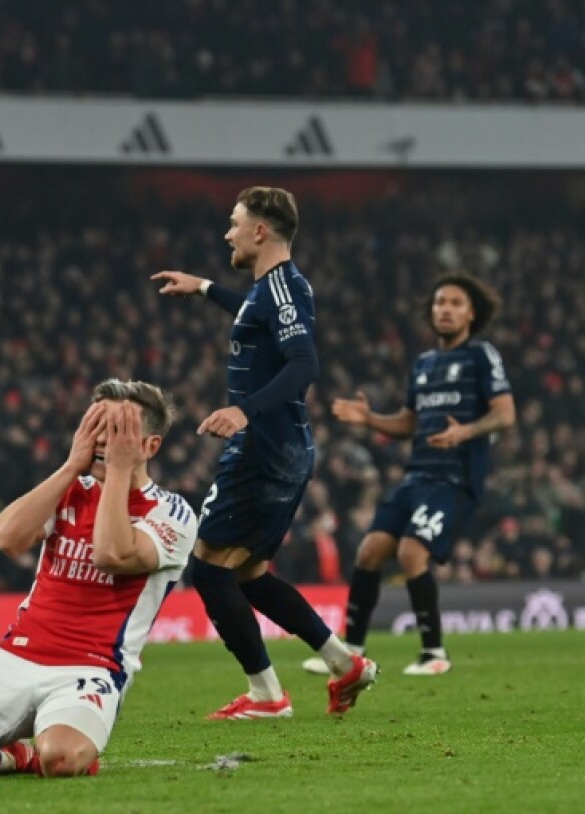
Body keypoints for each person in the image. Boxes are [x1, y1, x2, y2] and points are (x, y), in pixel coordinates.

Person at [0, 379, 196, 780]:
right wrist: (72, 466)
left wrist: (119, 473)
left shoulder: (172, 514)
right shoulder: (70, 488)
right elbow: (7, 537)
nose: (105, 441)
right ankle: (12, 756)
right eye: (98, 427)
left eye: (120, 431)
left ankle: (46, 745)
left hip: (92, 667)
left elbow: (110, 554)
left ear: (150, 446)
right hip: (17, 655)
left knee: (59, 760)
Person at [151, 186, 375, 720]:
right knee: (248, 574)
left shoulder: (282, 289)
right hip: (283, 447)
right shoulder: (278, 287)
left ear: (260, 230)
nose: (227, 232)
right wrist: (203, 287)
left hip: (265, 448)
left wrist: (244, 411)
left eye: (234, 223)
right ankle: (344, 662)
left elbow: (303, 365)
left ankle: (267, 696)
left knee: (207, 571)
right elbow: (255, 312)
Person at [302, 272, 515, 677]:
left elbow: (505, 414)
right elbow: (408, 423)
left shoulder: (481, 355)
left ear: (471, 313)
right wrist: (369, 419)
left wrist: (464, 432)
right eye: (439, 303)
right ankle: (350, 654)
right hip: (416, 477)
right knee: (368, 553)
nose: (445, 309)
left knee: (411, 552)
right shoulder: (424, 364)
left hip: (454, 480)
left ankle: (434, 654)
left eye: (455, 303)